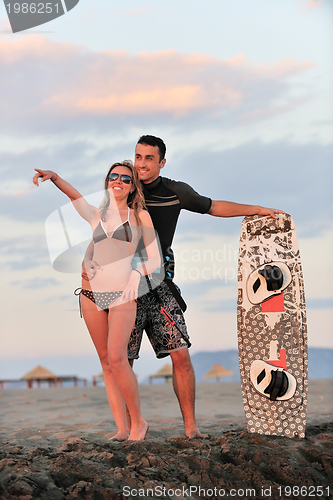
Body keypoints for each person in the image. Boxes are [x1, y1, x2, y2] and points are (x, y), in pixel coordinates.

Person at [83, 136, 284, 438]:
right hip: (123, 288)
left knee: (180, 354)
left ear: (161, 162)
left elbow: (214, 206)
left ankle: (191, 428)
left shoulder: (176, 192)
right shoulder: (122, 185)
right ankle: (129, 428)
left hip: (159, 284)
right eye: (138, 157)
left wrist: (256, 209)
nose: (142, 164)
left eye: (149, 158)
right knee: (121, 360)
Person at [33, 161, 161, 441]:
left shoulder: (139, 216)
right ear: (107, 181)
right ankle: (121, 428)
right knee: (105, 361)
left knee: (118, 358)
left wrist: (134, 276)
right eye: (113, 176)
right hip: (90, 293)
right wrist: (54, 177)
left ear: (132, 186)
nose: (118, 181)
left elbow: (153, 260)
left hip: (122, 295)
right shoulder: (97, 215)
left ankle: (139, 422)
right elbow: (75, 197)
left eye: (125, 179)